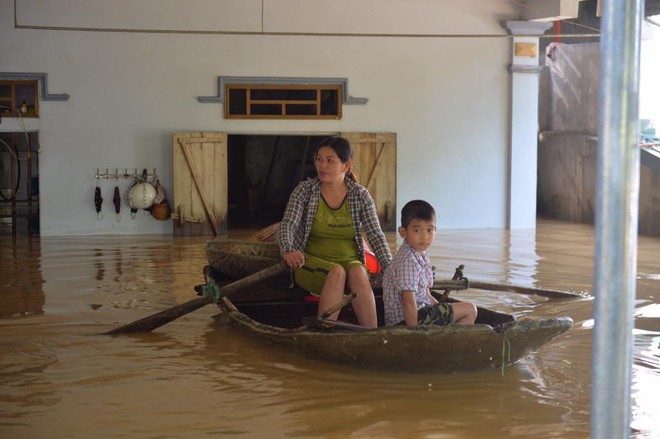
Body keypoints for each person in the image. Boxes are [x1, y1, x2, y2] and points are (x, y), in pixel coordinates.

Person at [278, 136, 392, 328]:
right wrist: (288, 250)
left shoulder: (360, 195)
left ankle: (372, 334)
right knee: (337, 272)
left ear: (346, 166)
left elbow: (376, 235)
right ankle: (324, 333)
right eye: (319, 159)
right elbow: (288, 224)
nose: (322, 165)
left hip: (350, 261)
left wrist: (390, 268)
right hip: (309, 261)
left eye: (330, 160)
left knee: (358, 271)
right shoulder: (304, 191)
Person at [383, 200, 477, 327]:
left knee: (462, 310)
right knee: (470, 310)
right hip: (406, 322)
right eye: (417, 230)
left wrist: (440, 308)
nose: (424, 236)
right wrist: (413, 334)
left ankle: (447, 340)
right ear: (403, 232)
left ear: (435, 230)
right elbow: (409, 303)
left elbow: (426, 295)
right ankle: (451, 344)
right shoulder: (407, 261)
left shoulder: (421, 254)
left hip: (421, 313)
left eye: (429, 230)